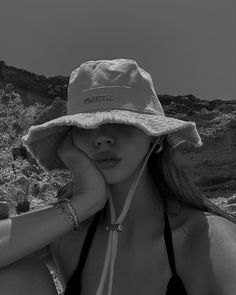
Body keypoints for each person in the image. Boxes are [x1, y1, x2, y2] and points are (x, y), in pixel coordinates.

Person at [0, 58, 236, 295]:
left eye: (121, 122)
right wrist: (86, 201)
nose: (103, 138)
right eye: (86, 126)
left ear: (155, 136)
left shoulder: (204, 237)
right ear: (71, 140)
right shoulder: (67, 240)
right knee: (17, 273)